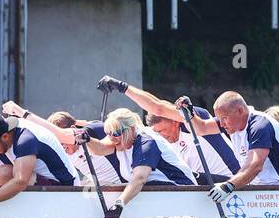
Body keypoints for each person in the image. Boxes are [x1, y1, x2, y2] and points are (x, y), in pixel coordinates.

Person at [97, 76, 238, 183]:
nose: (160, 136)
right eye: (156, 132)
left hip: (234, 181)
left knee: (190, 176)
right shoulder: (161, 142)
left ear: (176, 121)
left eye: (162, 131)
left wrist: (122, 87)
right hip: (205, 187)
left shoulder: (192, 120)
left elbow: (157, 106)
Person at [75, 108, 198, 218]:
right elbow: (100, 149)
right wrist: (88, 140)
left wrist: (118, 205)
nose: (112, 138)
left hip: (183, 191)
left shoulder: (147, 143)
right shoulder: (121, 138)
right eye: (108, 133)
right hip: (159, 195)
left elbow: (140, 178)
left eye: (116, 133)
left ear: (132, 129)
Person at [198, 91, 279, 205]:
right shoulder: (233, 122)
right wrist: (189, 114)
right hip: (261, 191)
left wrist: (228, 186)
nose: (222, 124)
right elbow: (201, 129)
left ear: (240, 110)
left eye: (224, 118)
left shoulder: (260, 126)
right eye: (219, 119)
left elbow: (255, 166)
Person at [0, 110, 79, 214]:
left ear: (5, 137)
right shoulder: (7, 129)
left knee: (4, 173)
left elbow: (20, 181)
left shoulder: (25, 141)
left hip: (65, 188)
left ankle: (11, 214)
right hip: (45, 182)